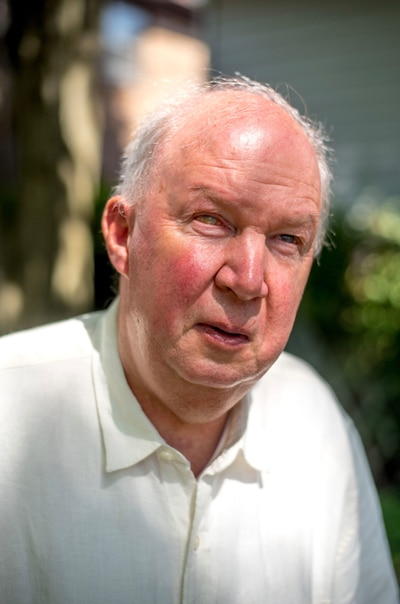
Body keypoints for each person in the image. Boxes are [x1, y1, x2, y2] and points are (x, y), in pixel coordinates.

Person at [0, 75, 398, 604]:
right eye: (212, 220)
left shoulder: (316, 424)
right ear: (123, 235)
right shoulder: (10, 418)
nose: (249, 279)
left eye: (286, 240)